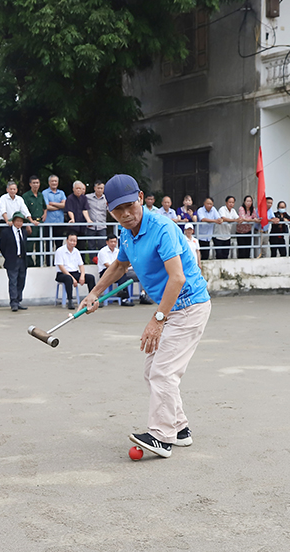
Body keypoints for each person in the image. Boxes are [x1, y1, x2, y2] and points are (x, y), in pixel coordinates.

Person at [80, 174, 211, 459]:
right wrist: (95, 292)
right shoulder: (127, 231)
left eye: (129, 206)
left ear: (140, 198)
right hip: (170, 307)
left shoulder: (161, 227)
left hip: (188, 306)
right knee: (152, 372)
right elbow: (119, 265)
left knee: (163, 372)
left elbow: (176, 279)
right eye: (118, 210)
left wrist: (157, 320)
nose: (125, 214)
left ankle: (161, 438)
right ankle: (180, 429)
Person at [0, 209, 29, 312]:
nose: (19, 223)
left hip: (22, 260)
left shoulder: (23, 232)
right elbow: (2, 246)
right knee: (13, 281)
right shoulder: (6, 232)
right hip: (12, 260)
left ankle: (19, 300)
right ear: (13, 221)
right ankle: (13, 302)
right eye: (17, 221)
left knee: (21, 281)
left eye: (21, 221)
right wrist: (8, 256)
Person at [54, 233, 96, 309]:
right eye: (71, 240)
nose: (73, 242)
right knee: (68, 278)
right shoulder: (60, 251)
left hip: (75, 273)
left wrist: (82, 275)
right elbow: (61, 267)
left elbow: (81, 265)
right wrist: (72, 278)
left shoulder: (76, 251)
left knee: (90, 278)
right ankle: (70, 301)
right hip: (62, 274)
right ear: (67, 240)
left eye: (75, 241)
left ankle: (92, 299)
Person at [97, 236, 135, 306]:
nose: (113, 243)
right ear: (107, 242)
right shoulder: (102, 251)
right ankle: (124, 296)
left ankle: (123, 296)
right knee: (121, 273)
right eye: (111, 242)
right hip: (105, 272)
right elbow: (108, 265)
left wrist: (125, 267)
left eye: (115, 242)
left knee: (123, 274)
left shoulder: (118, 251)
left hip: (117, 271)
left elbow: (124, 262)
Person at [22, 175, 46, 267]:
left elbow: (44, 207)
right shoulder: (26, 196)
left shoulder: (40, 195)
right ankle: (30, 264)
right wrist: (27, 223)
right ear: (30, 184)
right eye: (34, 183)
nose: (36, 185)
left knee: (40, 244)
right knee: (29, 245)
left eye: (37, 183)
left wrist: (45, 214)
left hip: (40, 222)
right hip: (31, 222)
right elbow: (23, 211)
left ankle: (40, 263)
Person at [43, 174, 67, 258]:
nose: (54, 183)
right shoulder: (45, 193)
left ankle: (58, 262)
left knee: (59, 245)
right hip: (48, 223)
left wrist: (52, 203)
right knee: (49, 245)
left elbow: (64, 205)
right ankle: (49, 263)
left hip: (59, 222)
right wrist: (59, 206)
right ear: (49, 182)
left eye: (55, 181)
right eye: (52, 181)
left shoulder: (61, 193)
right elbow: (46, 206)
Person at [85, 181, 109, 252]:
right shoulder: (88, 197)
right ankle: (92, 261)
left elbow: (110, 210)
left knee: (102, 245)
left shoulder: (106, 199)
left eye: (101, 188)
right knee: (91, 245)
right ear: (95, 188)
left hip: (102, 225)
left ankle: (101, 261)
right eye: (98, 188)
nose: (100, 190)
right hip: (91, 225)